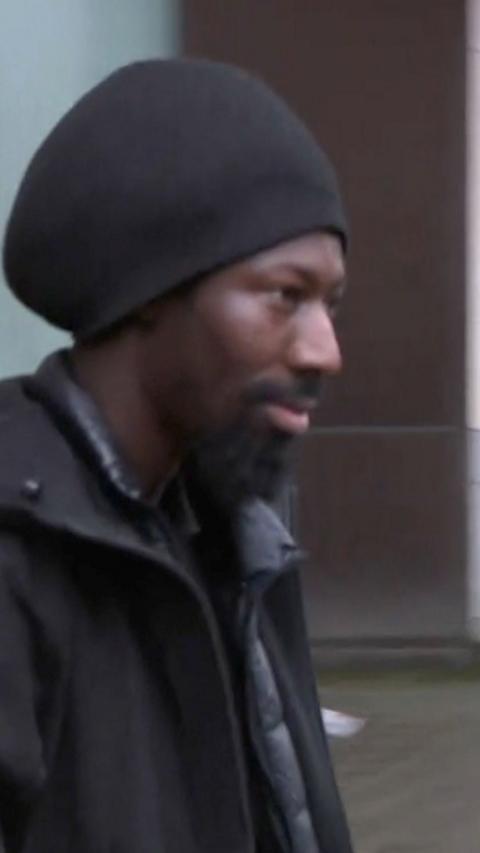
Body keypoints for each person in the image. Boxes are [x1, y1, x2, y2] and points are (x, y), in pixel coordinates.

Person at [0, 59, 353, 853]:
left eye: (332, 304)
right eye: (284, 295)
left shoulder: (242, 542)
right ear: (149, 292)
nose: (326, 349)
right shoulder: (18, 557)